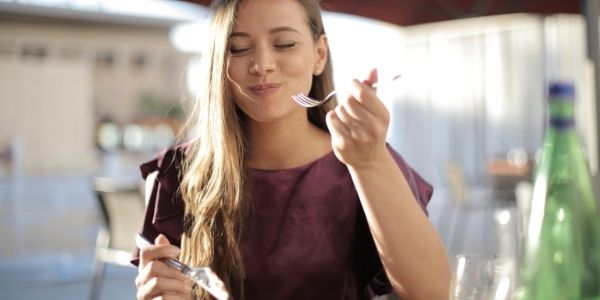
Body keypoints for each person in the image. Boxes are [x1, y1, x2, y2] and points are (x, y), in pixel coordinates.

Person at [132, 0, 451, 299]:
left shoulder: (363, 160)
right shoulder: (177, 172)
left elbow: (433, 293)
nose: (262, 65)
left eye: (284, 43)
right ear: (219, 64)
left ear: (319, 54)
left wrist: (370, 163)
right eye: (239, 48)